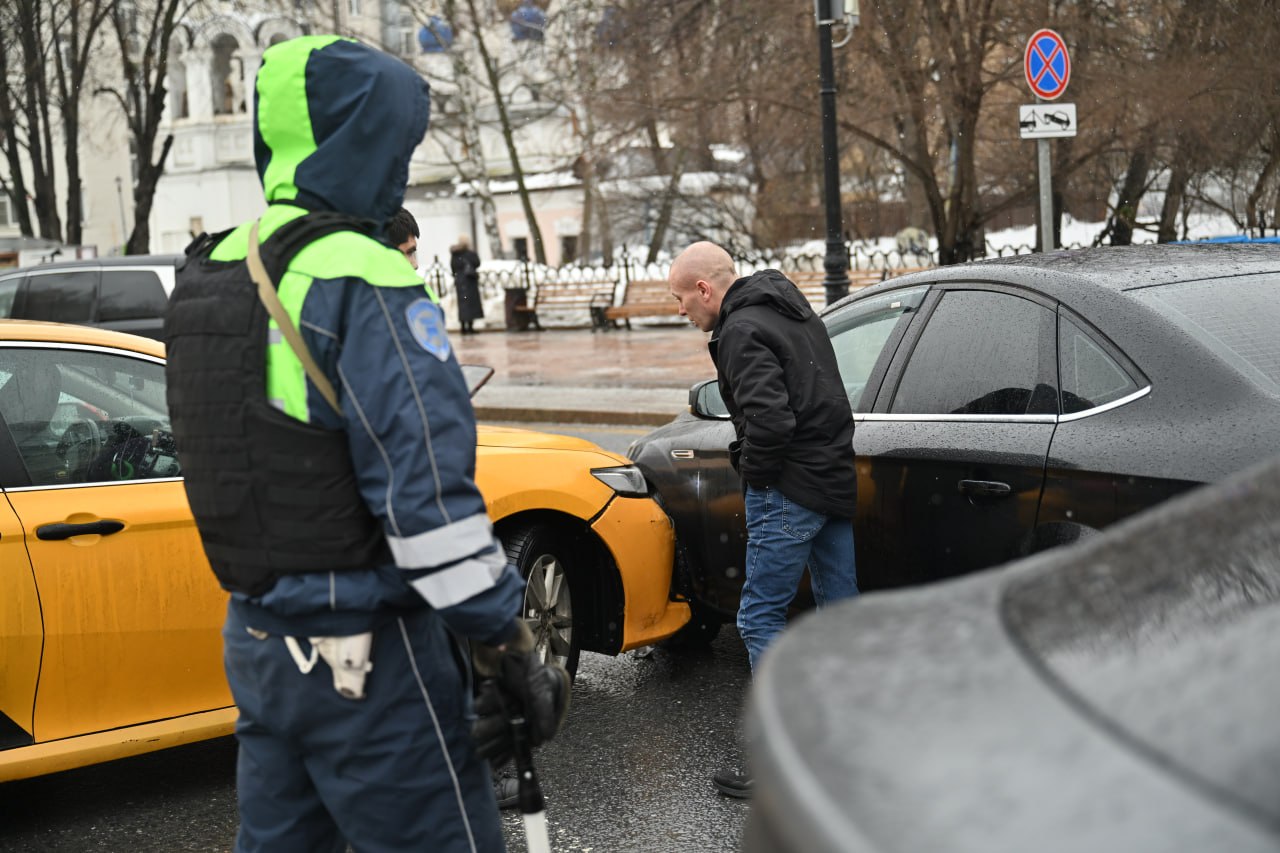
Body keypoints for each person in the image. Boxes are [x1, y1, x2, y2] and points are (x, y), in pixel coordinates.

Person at [163, 35, 568, 852]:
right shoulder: (364, 274)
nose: (402, 167)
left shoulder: (217, 269)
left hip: (261, 643)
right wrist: (507, 641)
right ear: (359, 141)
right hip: (371, 658)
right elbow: (430, 509)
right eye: (396, 145)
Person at [667, 242, 859, 800]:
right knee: (840, 615)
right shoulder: (790, 310)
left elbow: (770, 422)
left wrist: (755, 475)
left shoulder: (742, 330)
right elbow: (825, 400)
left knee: (758, 618)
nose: (681, 310)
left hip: (789, 489)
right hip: (831, 481)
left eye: (680, 298)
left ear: (705, 289)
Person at [450, 234, 483, 334]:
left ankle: (464, 327)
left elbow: (453, 266)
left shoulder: (455, 254)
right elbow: (477, 263)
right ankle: (470, 326)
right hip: (470, 280)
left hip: (460, 281)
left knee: (463, 303)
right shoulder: (470, 253)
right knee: (471, 303)